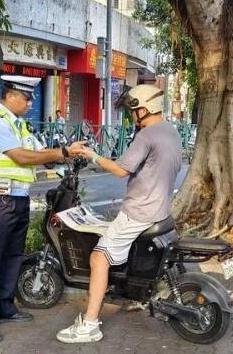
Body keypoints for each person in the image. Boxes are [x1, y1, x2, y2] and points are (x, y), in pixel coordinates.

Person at [56, 84, 182, 344]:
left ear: (143, 110)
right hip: (160, 208)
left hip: (139, 212)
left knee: (99, 258)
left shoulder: (146, 135)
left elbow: (120, 170)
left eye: (132, 111)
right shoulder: (170, 131)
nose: (130, 116)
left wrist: (92, 155)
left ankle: (90, 325)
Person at [0, 75, 84, 344]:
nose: (31, 103)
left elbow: (38, 152)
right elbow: (21, 157)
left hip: (18, 198)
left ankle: (4, 308)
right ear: (10, 97)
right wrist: (61, 153)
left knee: (12, 256)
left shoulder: (19, 125)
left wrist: (63, 155)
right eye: (26, 98)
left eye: (31, 98)